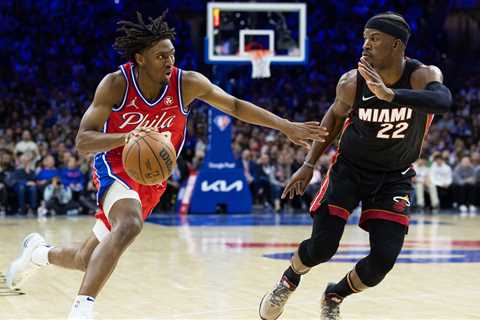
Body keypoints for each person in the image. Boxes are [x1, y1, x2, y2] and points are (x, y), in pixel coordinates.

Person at [5, 11, 327, 320]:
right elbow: (83, 140)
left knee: (86, 258)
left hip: (152, 177)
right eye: (161, 56)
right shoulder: (115, 84)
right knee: (129, 224)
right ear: (140, 58)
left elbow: (235, 105)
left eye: (171, 54)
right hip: (115, 166)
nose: (169, 61)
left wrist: (286, 126)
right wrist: (126, 137)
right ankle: (82, 310)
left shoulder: (186, 83)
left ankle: (37, 253)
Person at [259, 12, 452, 320]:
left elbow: (443, 101)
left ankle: (335, 294)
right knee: (323, 247)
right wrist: (309, 163)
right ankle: (288, 279)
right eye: (364, 38)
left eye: (374, 39)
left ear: (396, 45)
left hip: (394, 177)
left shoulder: (421, 75)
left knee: (383, 262)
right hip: (349, 170)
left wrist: (391, 95)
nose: (365, 45)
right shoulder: (352, 82)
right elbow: (334, 119)